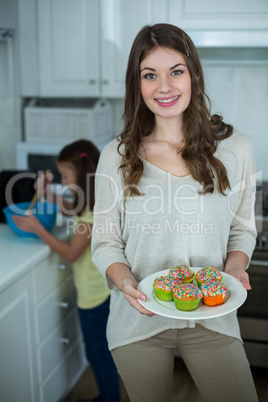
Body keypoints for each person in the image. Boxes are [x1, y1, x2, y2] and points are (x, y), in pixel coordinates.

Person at [91, 24, 259, 402]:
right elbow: (104, 242)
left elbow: (242, 228)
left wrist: (235, 268)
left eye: (176, 71)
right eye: (150, 75)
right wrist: (125, 284)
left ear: (194, 74)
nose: (164, 87)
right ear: (138, 85)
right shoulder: (116, 156)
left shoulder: (235, 148)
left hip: (211, 315)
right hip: (138, 317)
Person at [12, 139, 120, 402]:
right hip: (97, 293)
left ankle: (109, 399)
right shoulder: (92, 201)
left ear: (80, 175)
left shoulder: (93, 214)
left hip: (96, 298)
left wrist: (37, 228)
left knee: (98, 355)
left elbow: (72, 253)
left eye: (65, 175)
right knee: (98, 353)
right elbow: (71, 207)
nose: (62, 179)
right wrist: (48, 193)